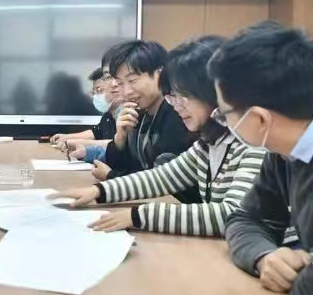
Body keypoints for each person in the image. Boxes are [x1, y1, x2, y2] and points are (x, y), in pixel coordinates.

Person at [52, 36, 265, 236]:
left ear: (214, 91)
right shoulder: (210, 141)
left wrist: (138, 215)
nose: (177, 105)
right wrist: (99, 191)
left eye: (184, 96)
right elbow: (163, 177)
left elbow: (232, 214)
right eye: (173, 97)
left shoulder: (252, 140)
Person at [207, 21, 313, 295]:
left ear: (260, 119)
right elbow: (245, 219)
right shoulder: (287, 147)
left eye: (224, 114)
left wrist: (308, 271)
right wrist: (266, 257)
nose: (222, 121)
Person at [92, 39, 192, 181]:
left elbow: (165, 181)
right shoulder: (138, 113)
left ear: (160, 73)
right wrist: (120, 138)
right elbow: (122, 166)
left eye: (132, 80)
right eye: (120, 84)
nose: (127, 92)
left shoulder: (178, 115)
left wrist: (111, 175)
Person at [50, 61, 123, 148]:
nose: (95, 96)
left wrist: (73, 142)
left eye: (99, 90)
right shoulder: (107, 116)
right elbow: (95, 133)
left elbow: (117, 144)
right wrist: (66, 137)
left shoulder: (126, 115)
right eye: (94, 92)